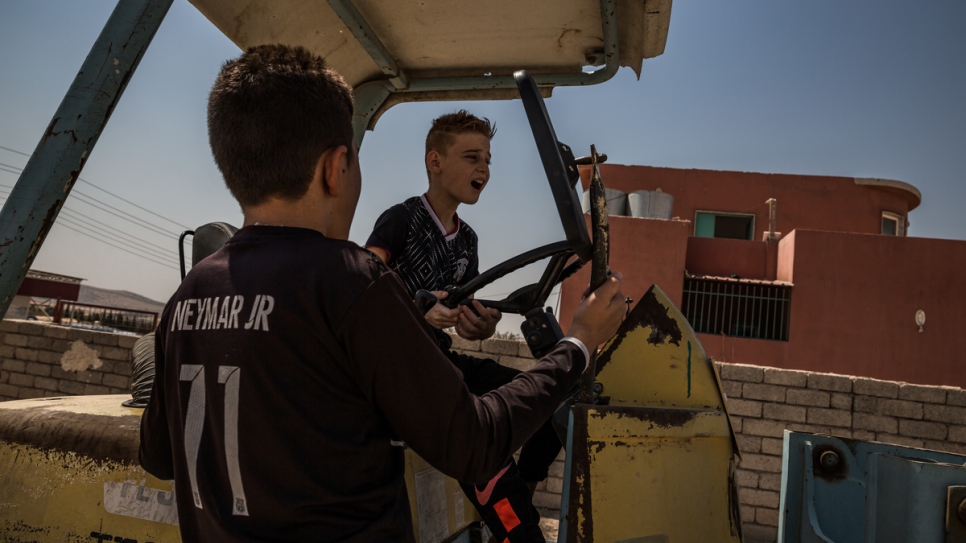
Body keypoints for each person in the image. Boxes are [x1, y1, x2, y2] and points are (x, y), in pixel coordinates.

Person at [138, 44, 626, 543]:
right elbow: (472, 444)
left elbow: (158, 457)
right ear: (336, 168)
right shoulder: (354, 278)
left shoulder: (186, 297)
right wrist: (579, 343)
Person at [365, 112, 561, 542]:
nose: (483, 169)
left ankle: (522, 496)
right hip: (401, 372)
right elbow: (362, 295)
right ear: (435, 162)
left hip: (441, 361)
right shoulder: (400, 221)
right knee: (481, 445)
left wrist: (480, 327)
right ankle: (518, 528)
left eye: (488, 160)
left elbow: (463, 318)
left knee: (554, 403)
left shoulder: (467, 240)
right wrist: (416, 313)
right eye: (472, 156)